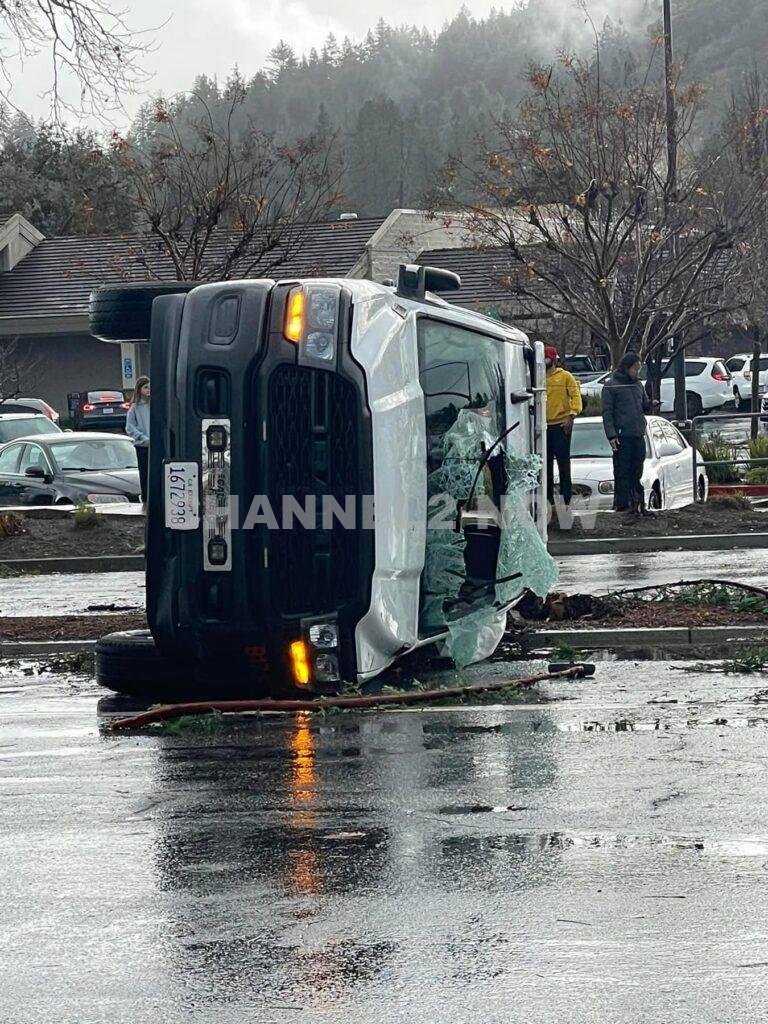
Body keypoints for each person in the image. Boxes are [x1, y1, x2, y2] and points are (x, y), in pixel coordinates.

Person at [601, 351, 651, 514]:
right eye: (635, 369)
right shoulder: (611, 385)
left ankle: (637, 501)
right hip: (622, 435)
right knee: (622, 470)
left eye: (639, 369)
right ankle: (623, 503)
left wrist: (651, 404)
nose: (637, 372)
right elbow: (607, 412)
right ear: (626, 368)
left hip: (638, 433)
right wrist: (611, 435)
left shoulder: (638, 385)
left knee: (637, 469)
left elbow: (644, 404)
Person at [544, 345, 582, 513]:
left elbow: (576, 396)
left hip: (560, 424)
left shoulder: (565, 376)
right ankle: (547, 499)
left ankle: (566, 500)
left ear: (553, 359)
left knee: (563, 463)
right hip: (543, 426)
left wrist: (571, 415)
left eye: (546, 357)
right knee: (545, 465)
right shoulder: (536, 378)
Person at [126, 376, 150, 506]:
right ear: (139, 389)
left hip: (155, 446)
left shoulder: (156, 405)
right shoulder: (135, 407)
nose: (148, 390)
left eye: (150, 387)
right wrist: (142, 437)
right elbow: (130, 427)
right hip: (142, 446)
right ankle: (146, 498)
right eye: (146, 387)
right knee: (145, 472)